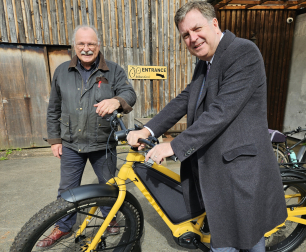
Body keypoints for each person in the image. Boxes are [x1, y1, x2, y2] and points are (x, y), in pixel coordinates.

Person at [127, 2, 287, 252]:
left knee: (245, 237)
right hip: (216, 169)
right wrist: (149, 130)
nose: (192, 38)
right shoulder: (206, 61)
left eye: (196, 28)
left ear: (214, 23)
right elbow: (185, 98)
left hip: (239, 171)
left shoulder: (243, 52)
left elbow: (221, 112)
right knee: (232, 237)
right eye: (185, 35)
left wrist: (174, 146)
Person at [39, 25, 136, 248]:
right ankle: (63, 226)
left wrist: (117, 101)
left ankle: (109, 218)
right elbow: (54, 108)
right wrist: (55, 140)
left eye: (91, 43)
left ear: (98, 45)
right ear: (75, 46)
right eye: (81, 44)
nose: (86, 48)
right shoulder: (62, 71)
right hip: (71, 143)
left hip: (103, 143)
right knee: (66, 190)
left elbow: (129, 93)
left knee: (109, 185)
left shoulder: (113, 70)